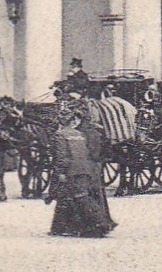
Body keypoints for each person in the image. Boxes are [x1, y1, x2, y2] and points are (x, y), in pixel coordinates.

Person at [45, 102, 115, 238]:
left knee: (79, 198)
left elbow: (61, 157)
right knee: (68, 197)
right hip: (86, 169)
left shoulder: (60, 135)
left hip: (72, 170)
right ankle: (59, 228)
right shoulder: (78, 134)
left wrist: (60, 173)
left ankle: (100, 224)